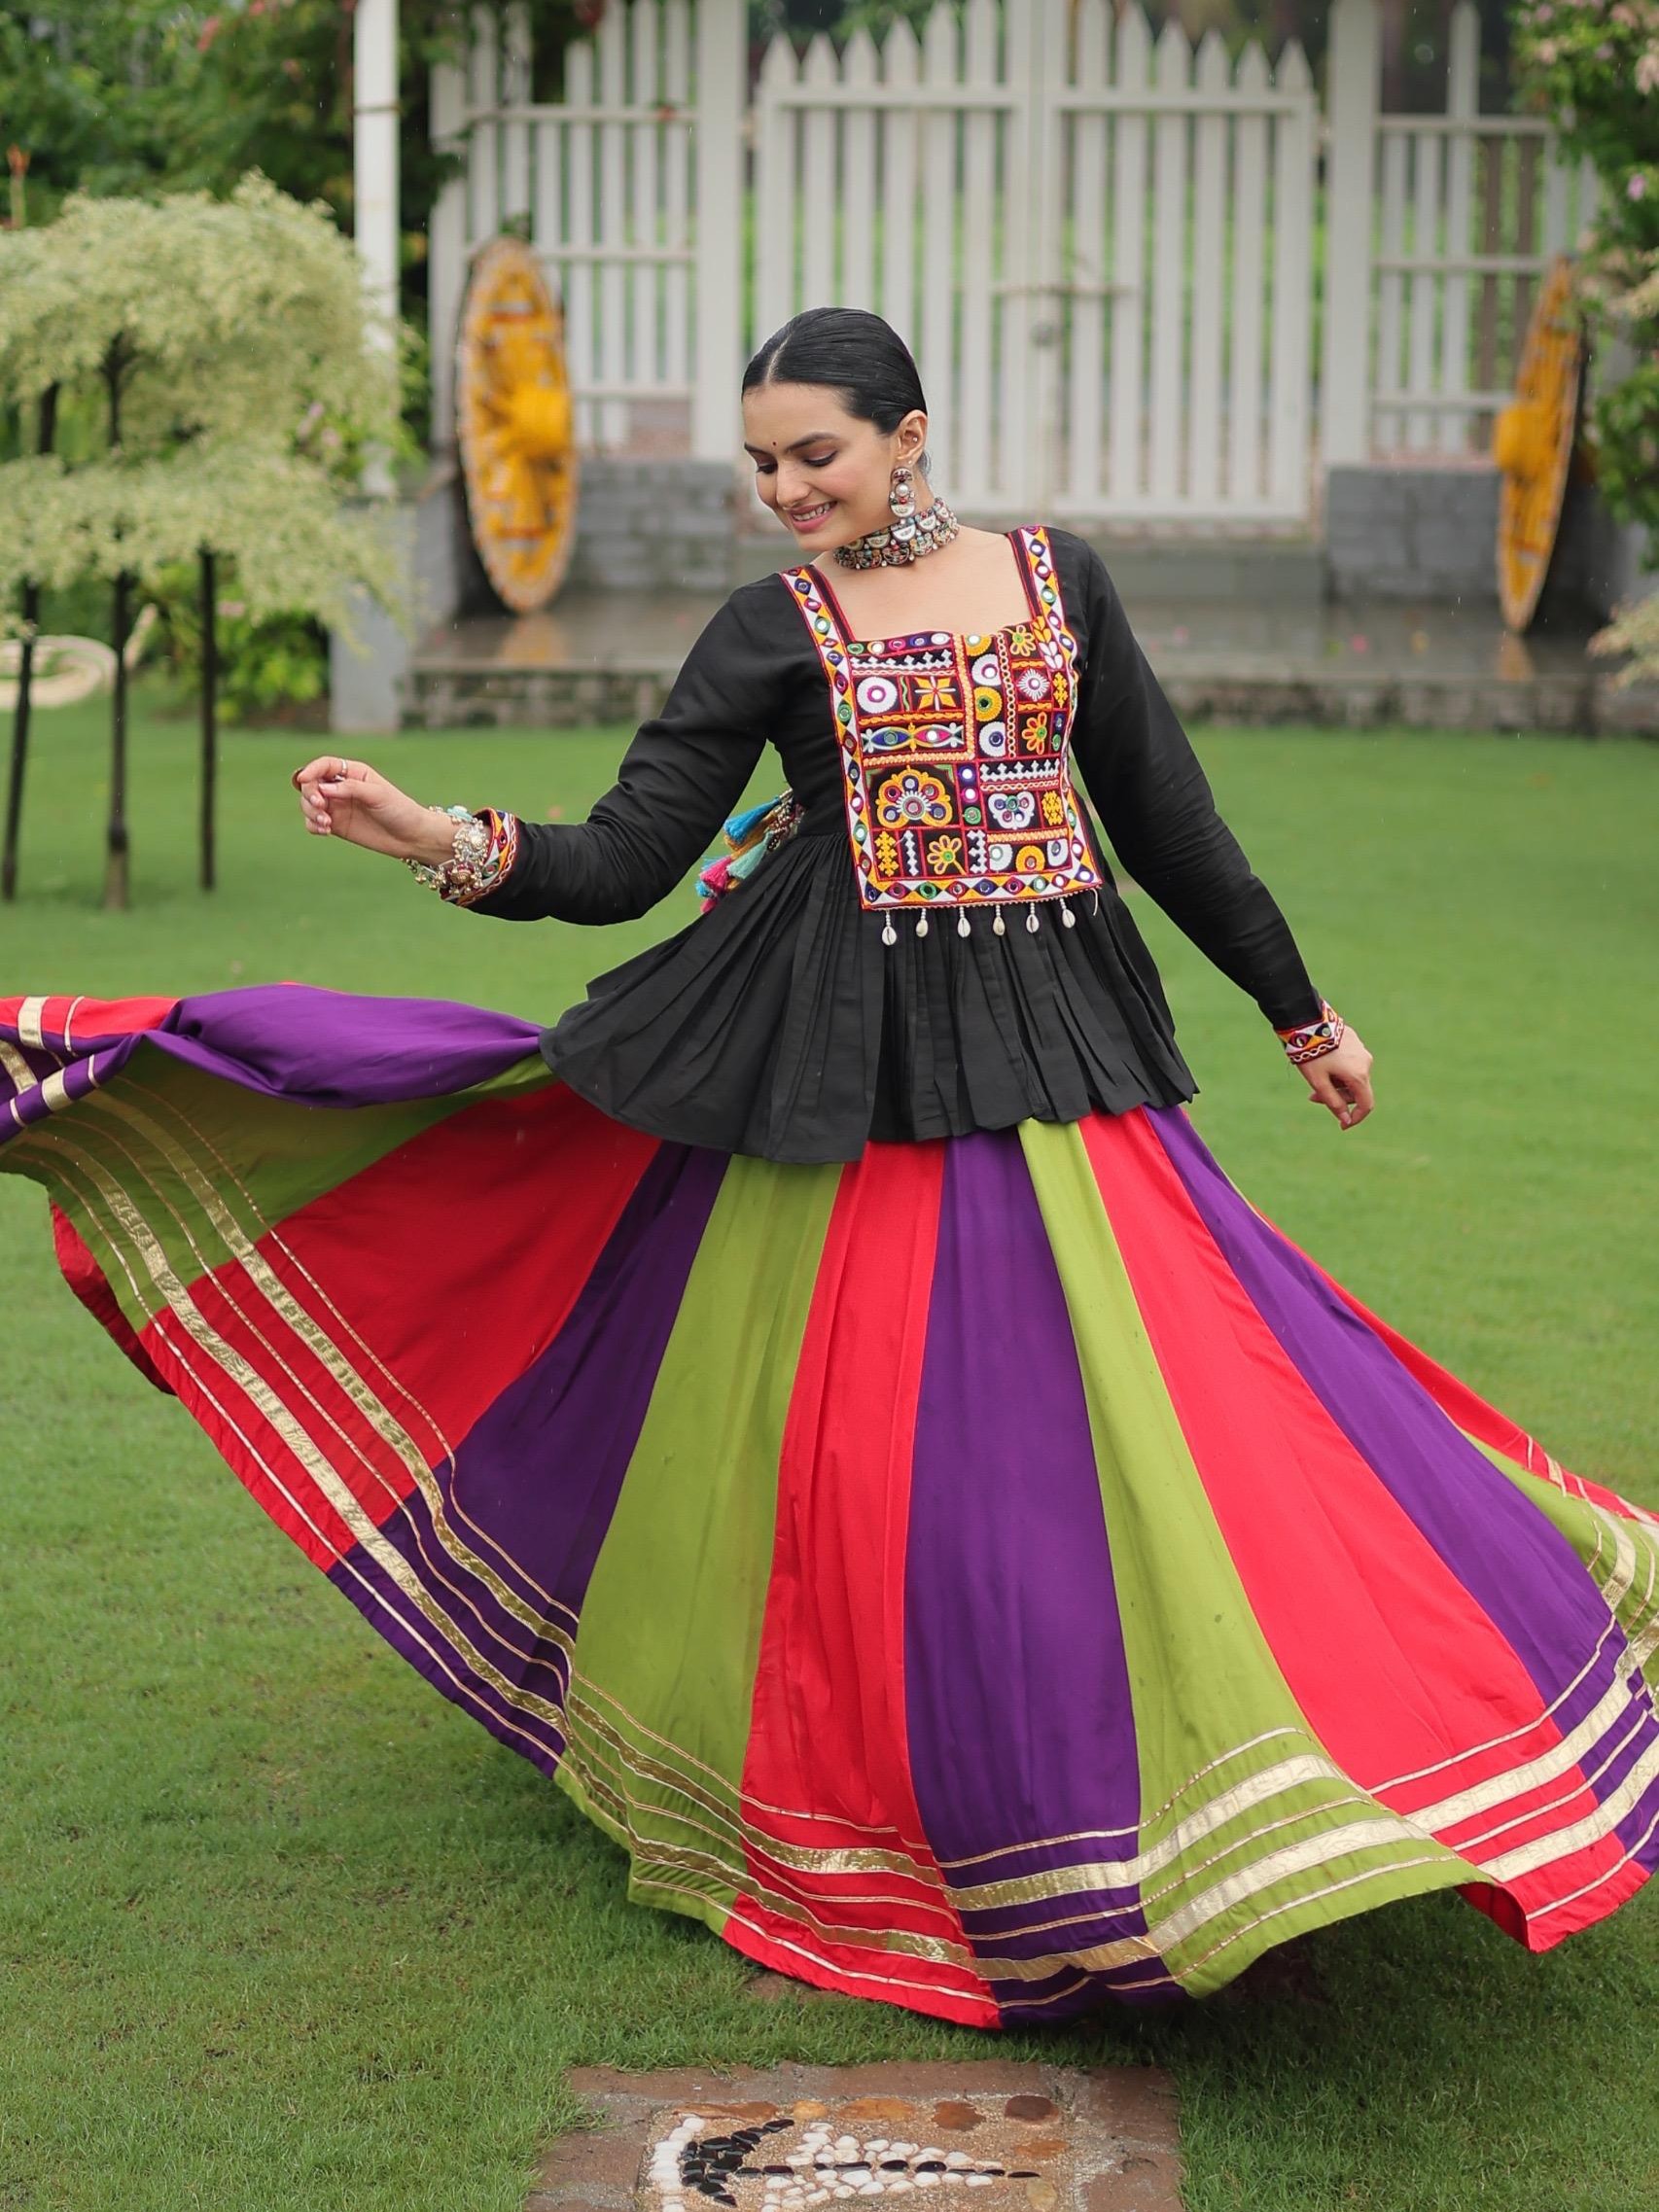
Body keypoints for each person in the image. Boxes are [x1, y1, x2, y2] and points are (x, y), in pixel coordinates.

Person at [3, 309, 1654, 2030]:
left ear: (906, 435)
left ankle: (1254, 1769)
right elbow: (628, 856)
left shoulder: (1057, 582)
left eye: (817, 453)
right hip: (850, 1085)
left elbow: (1166, 820)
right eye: (763, 463)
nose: (787, 488)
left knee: (1178, 1422)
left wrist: (1301, 1015)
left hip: (1063, 1069)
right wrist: (432, 835)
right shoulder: (767, 628)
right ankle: (944, 1810)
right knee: (888, 1469)